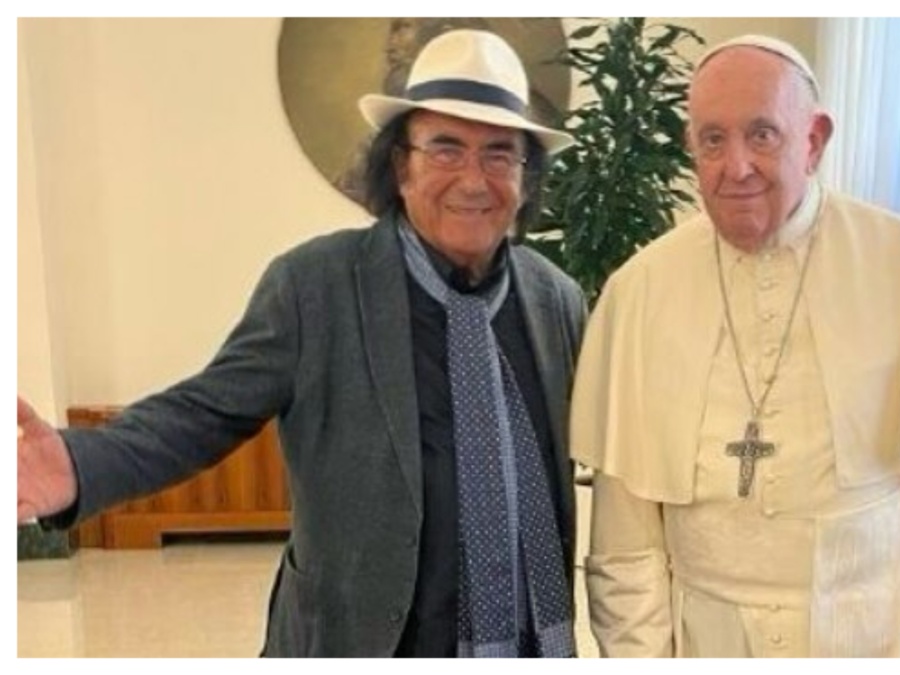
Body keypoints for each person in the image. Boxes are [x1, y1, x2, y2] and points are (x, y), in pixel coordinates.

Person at [17, 29, 587, 658]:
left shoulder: (555, 300)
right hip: (360, 641)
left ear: (526, 179)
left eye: (500, 154)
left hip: (530, 643)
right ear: (400, 166)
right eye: (446, 149)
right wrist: (78, 464)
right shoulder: (316, 286)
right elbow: (205, 413)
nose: (474, 180)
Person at [571, 35, 900, 658]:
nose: (736, 167)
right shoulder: (639, 290)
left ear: (814, 140)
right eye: (713, 140)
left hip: (876, 640)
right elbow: (627, 552)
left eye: (762, 135)